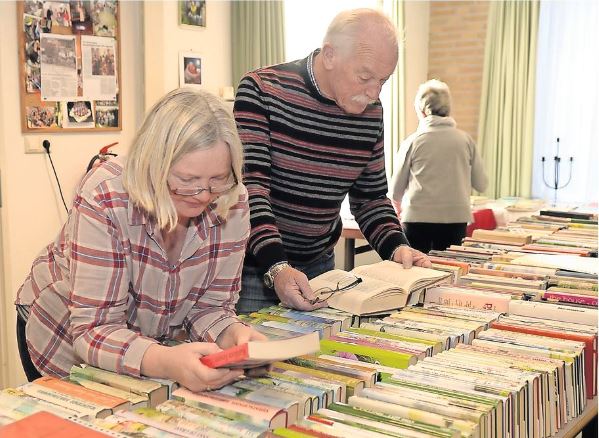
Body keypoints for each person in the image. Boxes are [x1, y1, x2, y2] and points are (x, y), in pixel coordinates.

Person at [15, 89, 266, 392]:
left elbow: (210, 308)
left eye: (217, 179)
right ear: (153, 167)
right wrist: (167, 360)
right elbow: (93, 329)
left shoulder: (232, 199)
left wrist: (234, 335)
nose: (203, 195)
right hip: (62, 333)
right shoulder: (106, 195)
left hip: (151, 344)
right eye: (187, 181)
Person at [234, 8, 431, 314]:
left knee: (316, 356)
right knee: (256, 357)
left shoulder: (372, 112)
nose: (373, 92)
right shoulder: (262, 90)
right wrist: (276, 267)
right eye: (365, 77)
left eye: (383, 80)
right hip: (256, 268)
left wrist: (397, 247)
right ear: (329, 56)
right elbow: (250, 189)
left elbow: (370, 200)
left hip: (319, 266)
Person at [389, 79, 488, 253]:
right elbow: (482, 184)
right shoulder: (465, 140)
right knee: (449, 273)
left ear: (421, 110)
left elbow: (395, 191)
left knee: (417, 273)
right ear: (448, 109)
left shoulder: (413, 141)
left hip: (417, 220)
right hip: (455, 219)